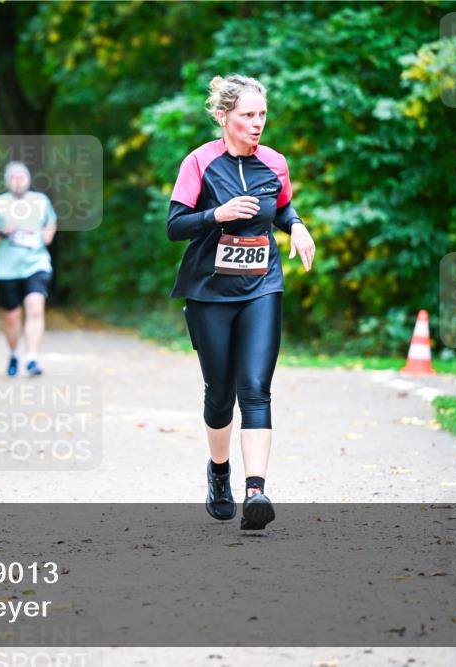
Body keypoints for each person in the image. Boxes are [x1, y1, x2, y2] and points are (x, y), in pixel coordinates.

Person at [166, 74, 316, 530]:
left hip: (261, 286)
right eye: (247, 116)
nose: (257, 124)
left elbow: (283, 207)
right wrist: (218, 214)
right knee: (220, 395)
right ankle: (219, 472)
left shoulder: (275, 163)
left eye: (262, 115)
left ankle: (256, 491)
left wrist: (299, 225)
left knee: (255, 387)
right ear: (223, 117)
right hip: (210, 292)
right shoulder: (200, 162)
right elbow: (175, 225)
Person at [0, 161, 57, 376]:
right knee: (11, 317)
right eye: (13, 178)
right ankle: (14, 353)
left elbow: (51, 222)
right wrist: (3, 233)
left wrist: (48, 234)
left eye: (21, 177)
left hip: (36, 263)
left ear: (28, 180)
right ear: (7, 182)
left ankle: (32, 357)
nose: (17, 181)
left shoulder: (41, 201)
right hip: (7, 269)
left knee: (35, 307)